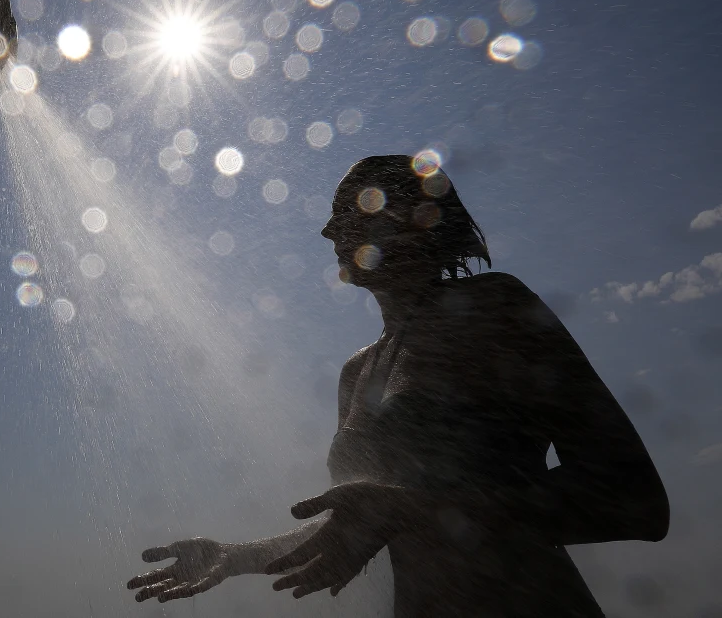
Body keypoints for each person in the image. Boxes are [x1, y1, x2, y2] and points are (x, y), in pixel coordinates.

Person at [127, 154, 669, 616]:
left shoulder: (492, 308)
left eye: (350, 211)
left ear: (415, 219)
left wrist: (413, 509)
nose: (328, 231)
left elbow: (634, 500)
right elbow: (367, 521)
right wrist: (235, 556)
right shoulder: (355, 372)